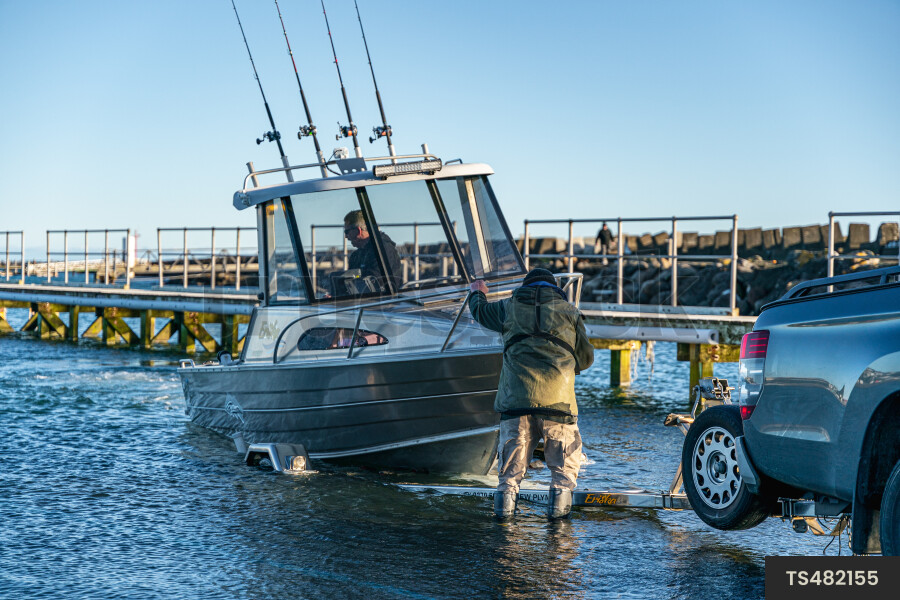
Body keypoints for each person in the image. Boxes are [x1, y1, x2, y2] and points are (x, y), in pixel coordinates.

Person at [468, 268, 595, 520]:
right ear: (555, 290)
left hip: (516, 405)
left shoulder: (508, 307)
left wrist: (477, 293)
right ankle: (558, 547)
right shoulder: (570, 312)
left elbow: (480, 311)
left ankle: (504, 541)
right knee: (562, 478)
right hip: (559, 406)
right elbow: (586, 358)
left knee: (509, 478)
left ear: (526, 287)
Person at [342, 210, 402, 292]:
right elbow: (350, 282)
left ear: (358, 230)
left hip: (383, 301)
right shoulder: (355, 255)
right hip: (364, 301)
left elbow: (376, 281)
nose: (346, 236)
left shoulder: (383, 249)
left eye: (347, 231)